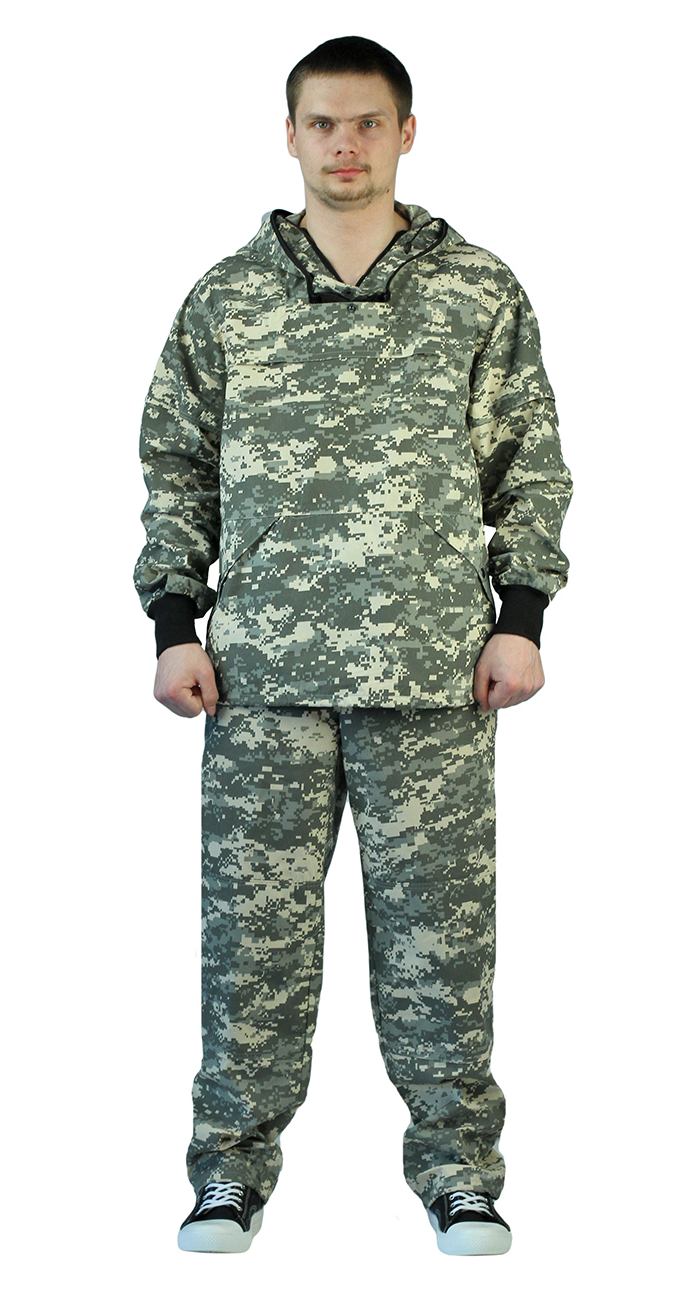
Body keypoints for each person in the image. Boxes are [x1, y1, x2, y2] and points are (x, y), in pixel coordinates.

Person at [133, 34, 572, 1257]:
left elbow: (528, 462)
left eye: (367, 122)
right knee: (252, 946)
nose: (344, 144)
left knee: (442, 946)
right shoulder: (228, 298)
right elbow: (176, 466)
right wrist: (173, 622)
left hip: (434, 674)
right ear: (289, 135)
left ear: (405, 133)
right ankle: (228, 1171)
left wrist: (521, 617)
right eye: (322, 123)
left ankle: (459, 1172)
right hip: (261, 679)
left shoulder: (477, 290)